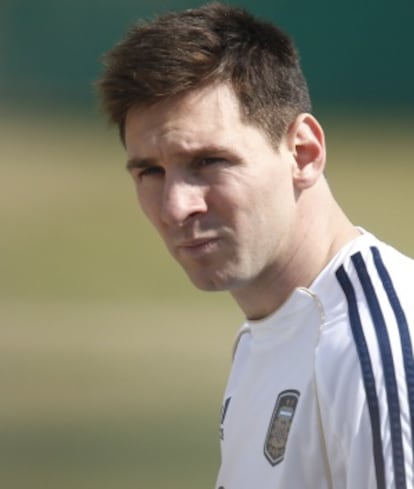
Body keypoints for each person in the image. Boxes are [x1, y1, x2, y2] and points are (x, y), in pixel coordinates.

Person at [96, 3, 414, 488]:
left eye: (208, 161)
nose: (175, 207)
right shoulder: (268, 335)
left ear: (303, 153)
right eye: (150, 171)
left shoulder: (374, 347)